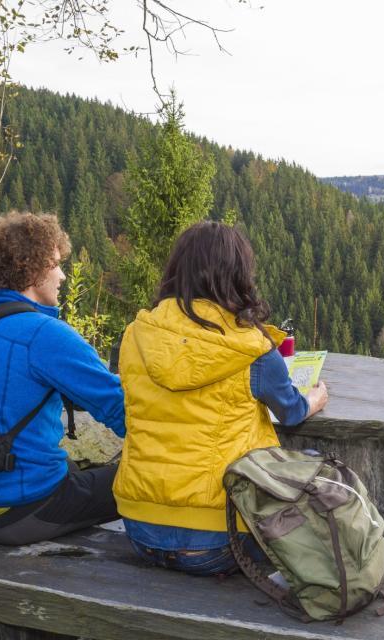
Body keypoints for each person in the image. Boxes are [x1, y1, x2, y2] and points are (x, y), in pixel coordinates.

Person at [114, 220, 329, 576]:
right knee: (312, 471)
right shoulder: (251, 346)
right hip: (218, 539)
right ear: (239, 275)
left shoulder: (137, 335)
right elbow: (290, 411)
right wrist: (315, 399)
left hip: (139, 527)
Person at [0, 212, 126, 545]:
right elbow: (124, 411)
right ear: (30, 268)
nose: (62, 276)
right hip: (17, 511)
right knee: (140, 480)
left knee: (72, 469)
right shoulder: (44, 334)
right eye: (55, 264)